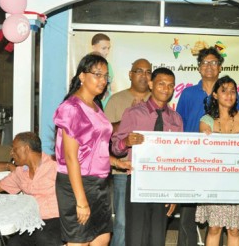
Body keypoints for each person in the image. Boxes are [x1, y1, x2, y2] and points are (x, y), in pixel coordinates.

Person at [53, 54, 130, 246]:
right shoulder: (71, 108)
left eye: (106, 76)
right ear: (82, 76)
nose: (103, 80)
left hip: (100, 185)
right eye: (97, 74)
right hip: (76, 185)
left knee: (102, 239)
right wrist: (80, 200)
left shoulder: (96, 106)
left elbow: (96, 148)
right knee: (79, 242)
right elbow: (71, 158)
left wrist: (116, 162)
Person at [176, 46, 239, 246]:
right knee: (188, 212)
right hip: (192, 159)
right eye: (205, 63)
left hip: (221, 162)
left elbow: (236, 122)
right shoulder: (188, 94)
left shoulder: (230, 93)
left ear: (220, 67)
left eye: (214, 62)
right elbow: (179, 123)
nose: (209, 66)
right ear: (199, 68)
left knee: (219, 217)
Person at [111, 67, 182, 246]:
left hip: (163, 185)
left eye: (170, 85)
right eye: (161, 84)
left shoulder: (176, 119)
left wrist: (174, 195)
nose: (166, 89)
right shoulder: (133, 113)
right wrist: (125, 141)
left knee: (157, 239)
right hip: (137, 183)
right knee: (135, 237)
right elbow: (116, 149)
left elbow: (178, 158)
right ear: (151, 84)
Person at [195, 76, 239, 246]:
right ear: (215, 95)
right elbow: (206, 150)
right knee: (214, 228)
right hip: (214, 182)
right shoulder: (206, 121)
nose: (229, 95)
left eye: (233, 91)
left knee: (235, 230)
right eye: (224, 90)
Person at [104, 58, 152, 246]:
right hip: (123, 170)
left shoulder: (157, 99)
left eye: (148, 72)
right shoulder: (116, 100)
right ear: (130, 74)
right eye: (139, 71)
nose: (144, 75)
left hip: (150, 171)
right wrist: (130, 116)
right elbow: (105, 132)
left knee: (147, 221)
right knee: (122, 222)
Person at [0, 132, 62, 246]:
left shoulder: (55, 166)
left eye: (14, 149)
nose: (11, 153)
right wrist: (8, 165)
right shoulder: (20, 172)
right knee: (14, 243)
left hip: (57, 219)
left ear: (26, 149)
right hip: (32, 221)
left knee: (45, 239)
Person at [91, 33, 114, 108]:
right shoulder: (87, 65)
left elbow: (111, 87)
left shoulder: (109, 65)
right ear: (94, 47)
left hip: (107, 109)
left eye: (108, 48)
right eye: (104, 48)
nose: (107, 52)